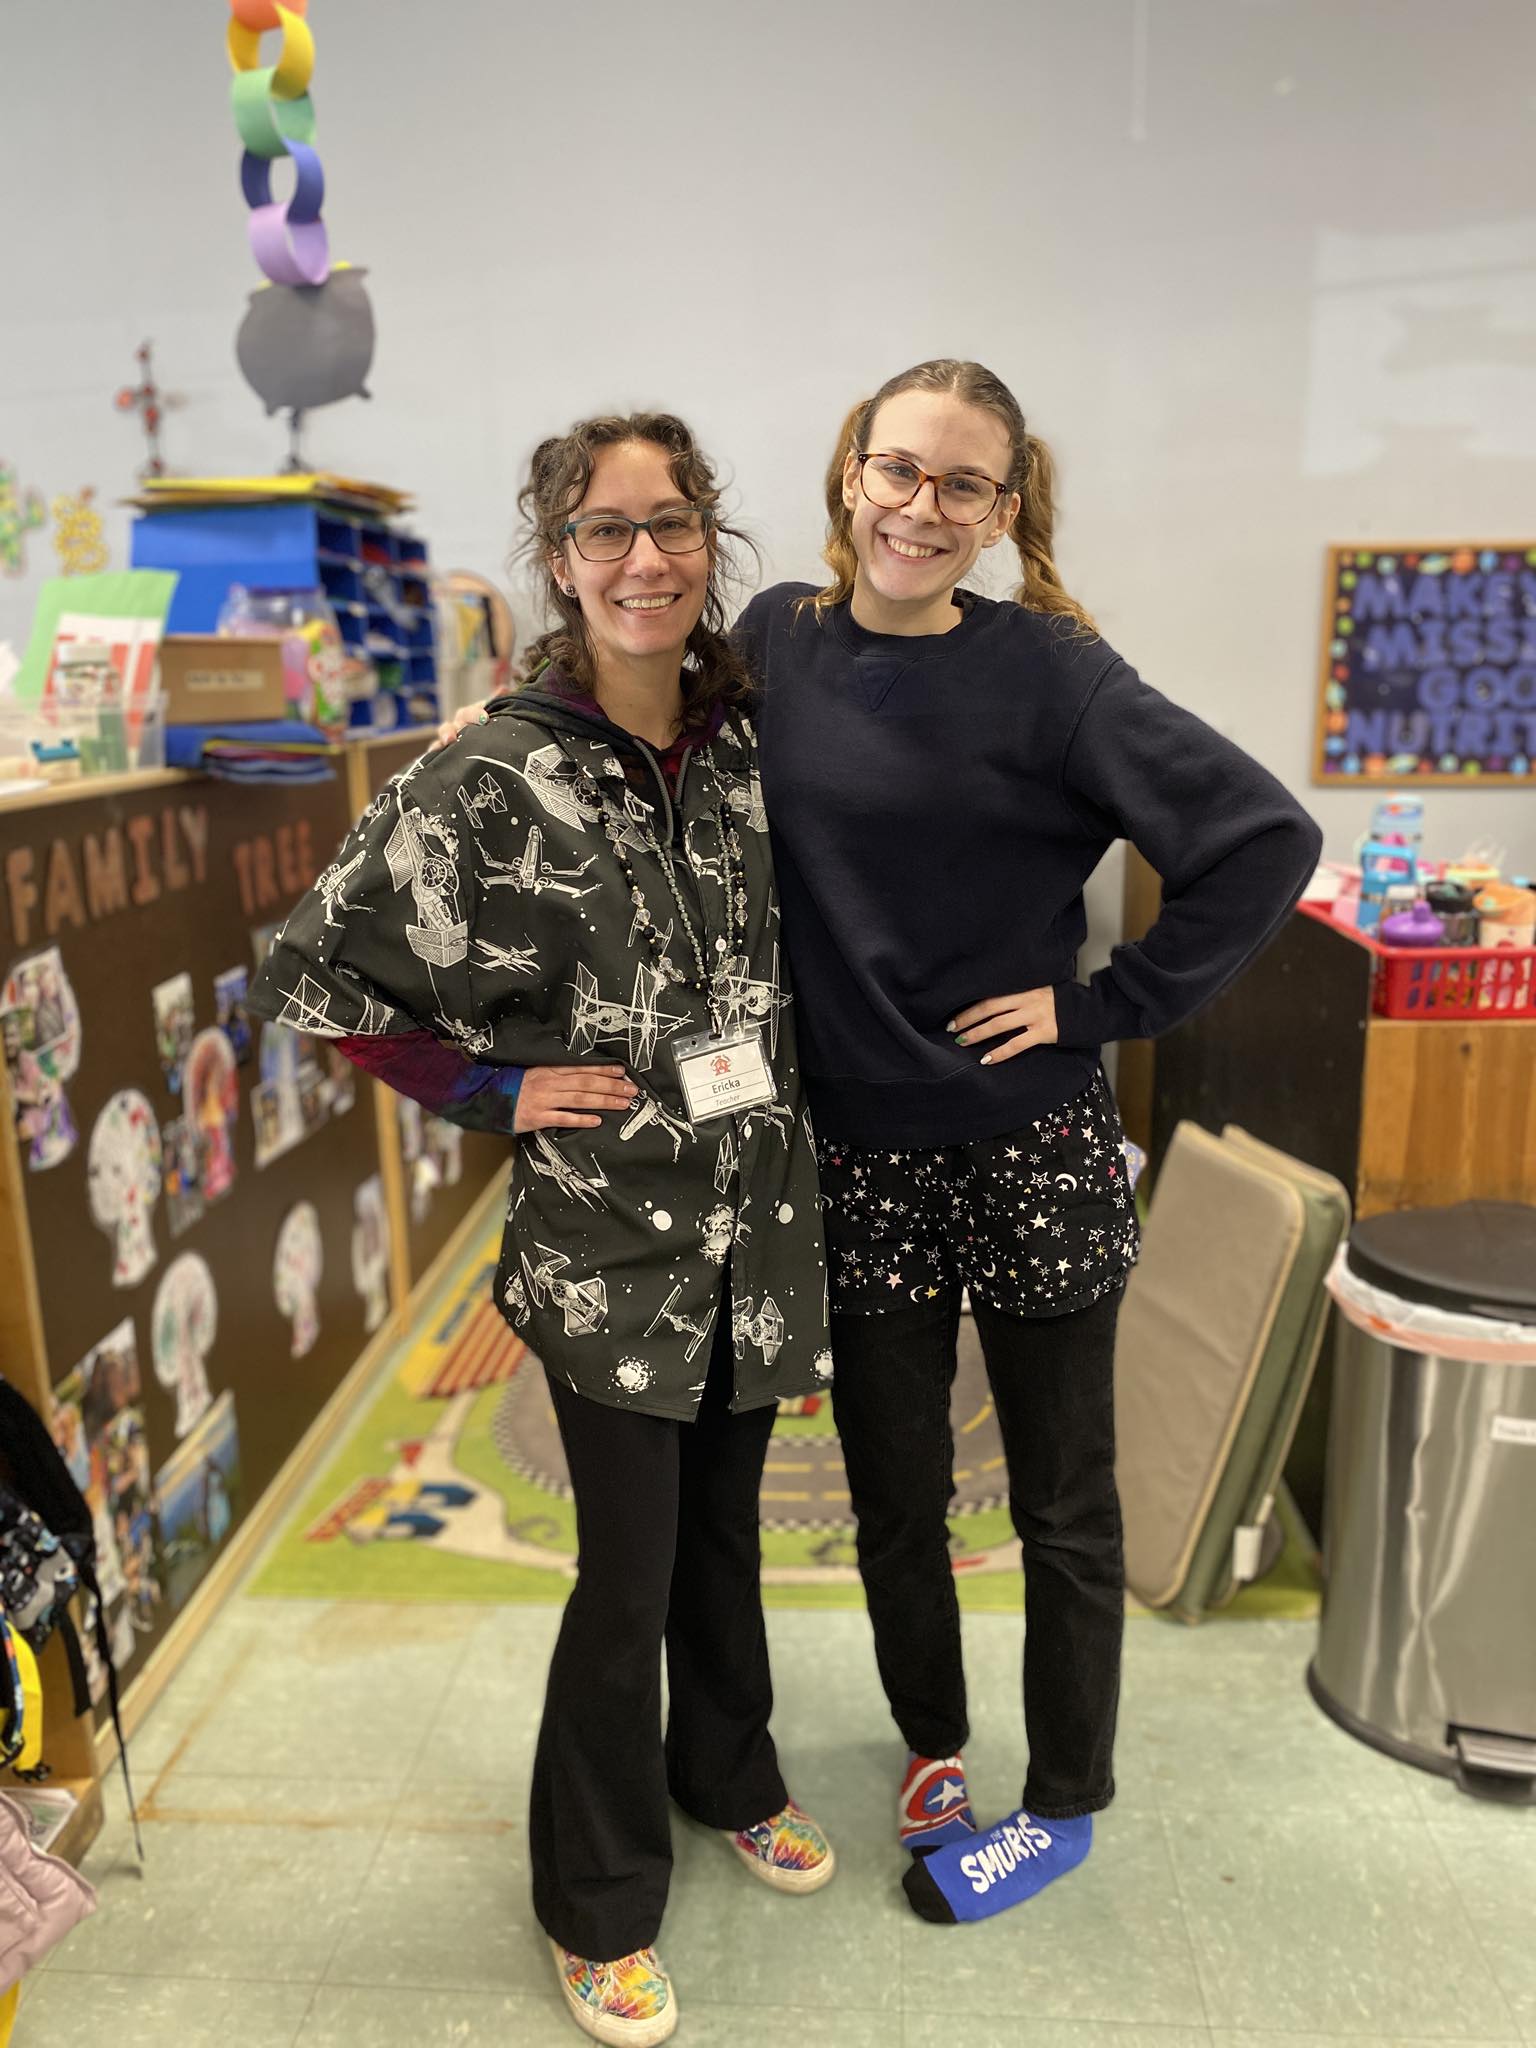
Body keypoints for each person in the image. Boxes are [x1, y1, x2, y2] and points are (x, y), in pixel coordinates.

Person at [442, 359, 1322, 1930]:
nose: (923, 509)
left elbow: (1262, 841)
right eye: (899, 471)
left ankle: (1061, 1801)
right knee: (894, 1494)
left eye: (964, 486)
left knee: (1061, 1502)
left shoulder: (1057, 675)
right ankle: (935, 1744)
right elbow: (634, 670)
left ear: (1003, 510)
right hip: (851, 1157)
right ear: (852, 472)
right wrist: (507, 718)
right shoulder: (776, 639)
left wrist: (1106, 1002)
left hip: (1032, 1145)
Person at [247, 412, 836, 2046]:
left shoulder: (753, 736)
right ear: (560, 559)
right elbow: (313, 976)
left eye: (670, 524)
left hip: (757, 1230)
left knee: (730, 1544)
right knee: (628, 1580)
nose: (642, 559)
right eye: (603, 532)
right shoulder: (490, 769)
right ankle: (595, 1904)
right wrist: (495, 1093)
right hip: (607, 1250)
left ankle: (733, 1778)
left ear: (709, 538)